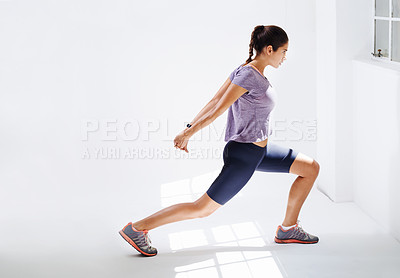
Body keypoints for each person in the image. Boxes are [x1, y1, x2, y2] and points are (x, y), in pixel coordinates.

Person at [119, 25, 320, 257]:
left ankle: (288, 228)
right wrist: (188, 132)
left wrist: (188, 128)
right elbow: (217, 107)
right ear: (269, 49)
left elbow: (214, 100)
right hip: (244, 155)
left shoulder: (248, 70)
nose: (285, 57)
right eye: (283, 51)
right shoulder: (248, 75)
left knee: (310, 168)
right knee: (202, 209)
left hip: (260, 153)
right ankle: (137, 228)